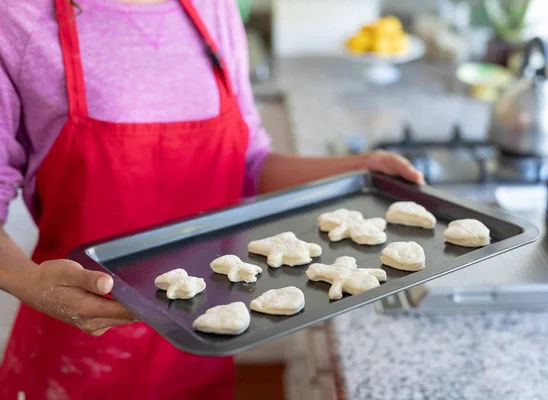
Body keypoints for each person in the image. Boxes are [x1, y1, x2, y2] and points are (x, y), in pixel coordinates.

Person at [0, 0, 424, 398]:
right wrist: (28, 282)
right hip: (80, 348)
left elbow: (249, 162)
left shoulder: (213, 7)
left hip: (205, 332)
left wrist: (361, 169)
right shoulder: (18, 17)